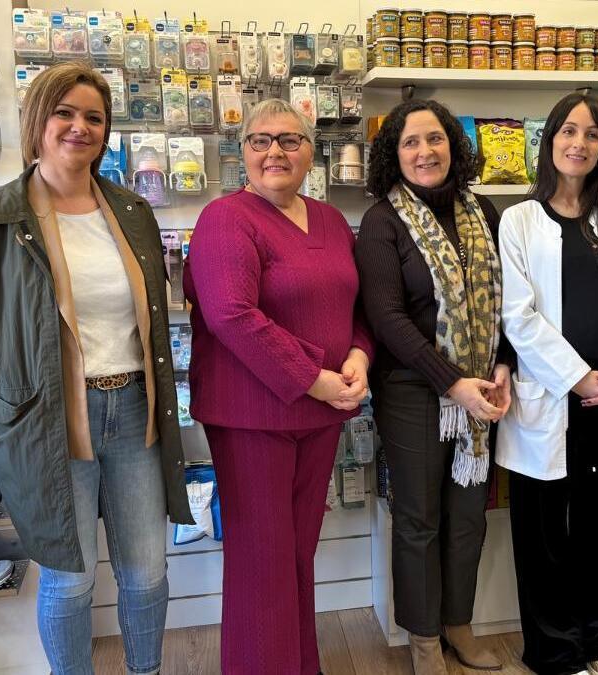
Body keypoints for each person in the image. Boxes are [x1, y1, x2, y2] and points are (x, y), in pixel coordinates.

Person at [0, 61, 192, 675]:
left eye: (94, 118)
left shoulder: (131, 211)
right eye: (65, 113)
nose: (80, 127)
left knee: (146, 572)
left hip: (134, 412)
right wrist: (12, 400)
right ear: (38, 120)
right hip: (48, 420)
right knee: (68, 579)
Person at [183, 98, 373, 674]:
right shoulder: (225, 219)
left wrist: (359, 355)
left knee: (296, 555)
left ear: (311, 152)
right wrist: (314, 379)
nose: (275, 152)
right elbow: (231, 314)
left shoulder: (332, 221)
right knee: (261, 563)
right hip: (251, 418)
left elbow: (354, 306)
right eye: (260, 140)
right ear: (242, 151)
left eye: (290, 140)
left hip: (319, 415)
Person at [497, 92, 598, 675]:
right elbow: (518, 318)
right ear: (550, 141)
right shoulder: (519, 221)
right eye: (569, 130)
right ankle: (555, 652)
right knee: (544, 536)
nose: (579, 143)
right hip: (553, 397)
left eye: (593, 135)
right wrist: (578, 378)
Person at [355, 98, 512, 675]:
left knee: (469, 517)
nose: (426, 152)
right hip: (412, 392)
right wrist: (453, 383)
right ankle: (423, 638)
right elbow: (386, 319)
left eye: (435, 138)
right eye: (411, 142)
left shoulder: (484, 211)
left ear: (454, 145)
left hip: (481, 390)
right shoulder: (382, 221)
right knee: (419, 520)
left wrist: (503, 365)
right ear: (394, 156)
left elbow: (510, 300)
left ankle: (458, 625)